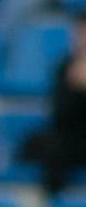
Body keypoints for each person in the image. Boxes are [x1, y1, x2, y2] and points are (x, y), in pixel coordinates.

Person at [36, 10, 86, 197]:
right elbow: (59, 114)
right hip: (72, 137)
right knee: (52, 147)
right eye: (80, 33)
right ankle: (53, 205)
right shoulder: (64, 66)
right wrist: (74, 87)